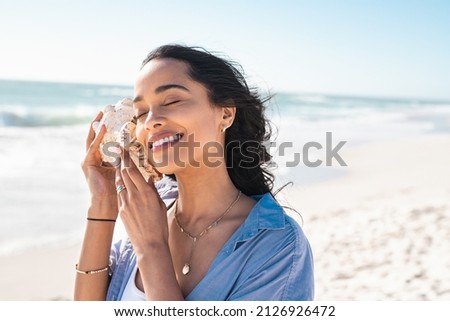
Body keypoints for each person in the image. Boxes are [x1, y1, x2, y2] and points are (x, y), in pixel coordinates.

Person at [74, 44, 314, 301]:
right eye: (141, 112)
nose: (152, 119)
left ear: (225, 114)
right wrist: (103, 204)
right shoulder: (152, 209)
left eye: (172, 100)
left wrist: (152, 248)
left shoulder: (277, 246)